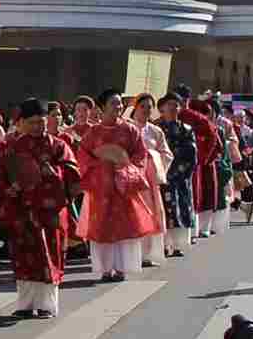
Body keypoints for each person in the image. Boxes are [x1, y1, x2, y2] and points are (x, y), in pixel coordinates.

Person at [0, 99, 80, 320]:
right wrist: (9, 190)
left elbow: (72, 172)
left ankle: (46, 305)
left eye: (41, 122)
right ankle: (25, 304)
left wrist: (52, 173)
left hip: (50, 211)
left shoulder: (58, 145)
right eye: (32, 122)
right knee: (24, 257)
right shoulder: (11, 147)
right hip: (21, 211)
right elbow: (0, 177)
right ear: (21, 122)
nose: (37, 126)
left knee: (49, 255)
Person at [77, 93, 162, 283]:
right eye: (113, 103)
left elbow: (140, 156)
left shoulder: (130, 130)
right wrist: (100, 167)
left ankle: (122, 267)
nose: (118, 106)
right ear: (102, 107)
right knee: (102, 227)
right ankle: (105, 269)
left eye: (119, 103)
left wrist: (126, 168)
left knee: (124, 227)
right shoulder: (93, 133)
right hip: (101, 188)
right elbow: (82, 157)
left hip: (123, 186)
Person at [155, 93, 197, 258]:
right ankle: (164, 245)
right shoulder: (155, 128)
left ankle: (178, 245)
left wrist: (181, 172)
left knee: (180, 210)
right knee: (163, 211)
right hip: (160, 177)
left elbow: (192, 155)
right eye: (169, 105)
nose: (173, 108)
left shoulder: (186, 129)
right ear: (161, 108)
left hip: (180, 177)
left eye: (176, 105)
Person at [131, 94, 169, 266]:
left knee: (151, 215)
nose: (146, 110)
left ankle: (146, 255)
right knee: (132, 215)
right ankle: (130, 255)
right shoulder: (126, 128)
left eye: (149, 107)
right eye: (143, 106)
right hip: (131, 178)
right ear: (135, 108)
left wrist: (152, 157)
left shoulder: (156, 131)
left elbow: (166, 154)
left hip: (150, 179)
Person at [182, 92, 227, 238]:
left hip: (204, 163)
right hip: (197, 162)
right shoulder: (200, 119)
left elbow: (216, 143)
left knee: (203, 195)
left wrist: (204, 158)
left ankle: (201, 228)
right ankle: (199, 229)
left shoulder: (203, 121)